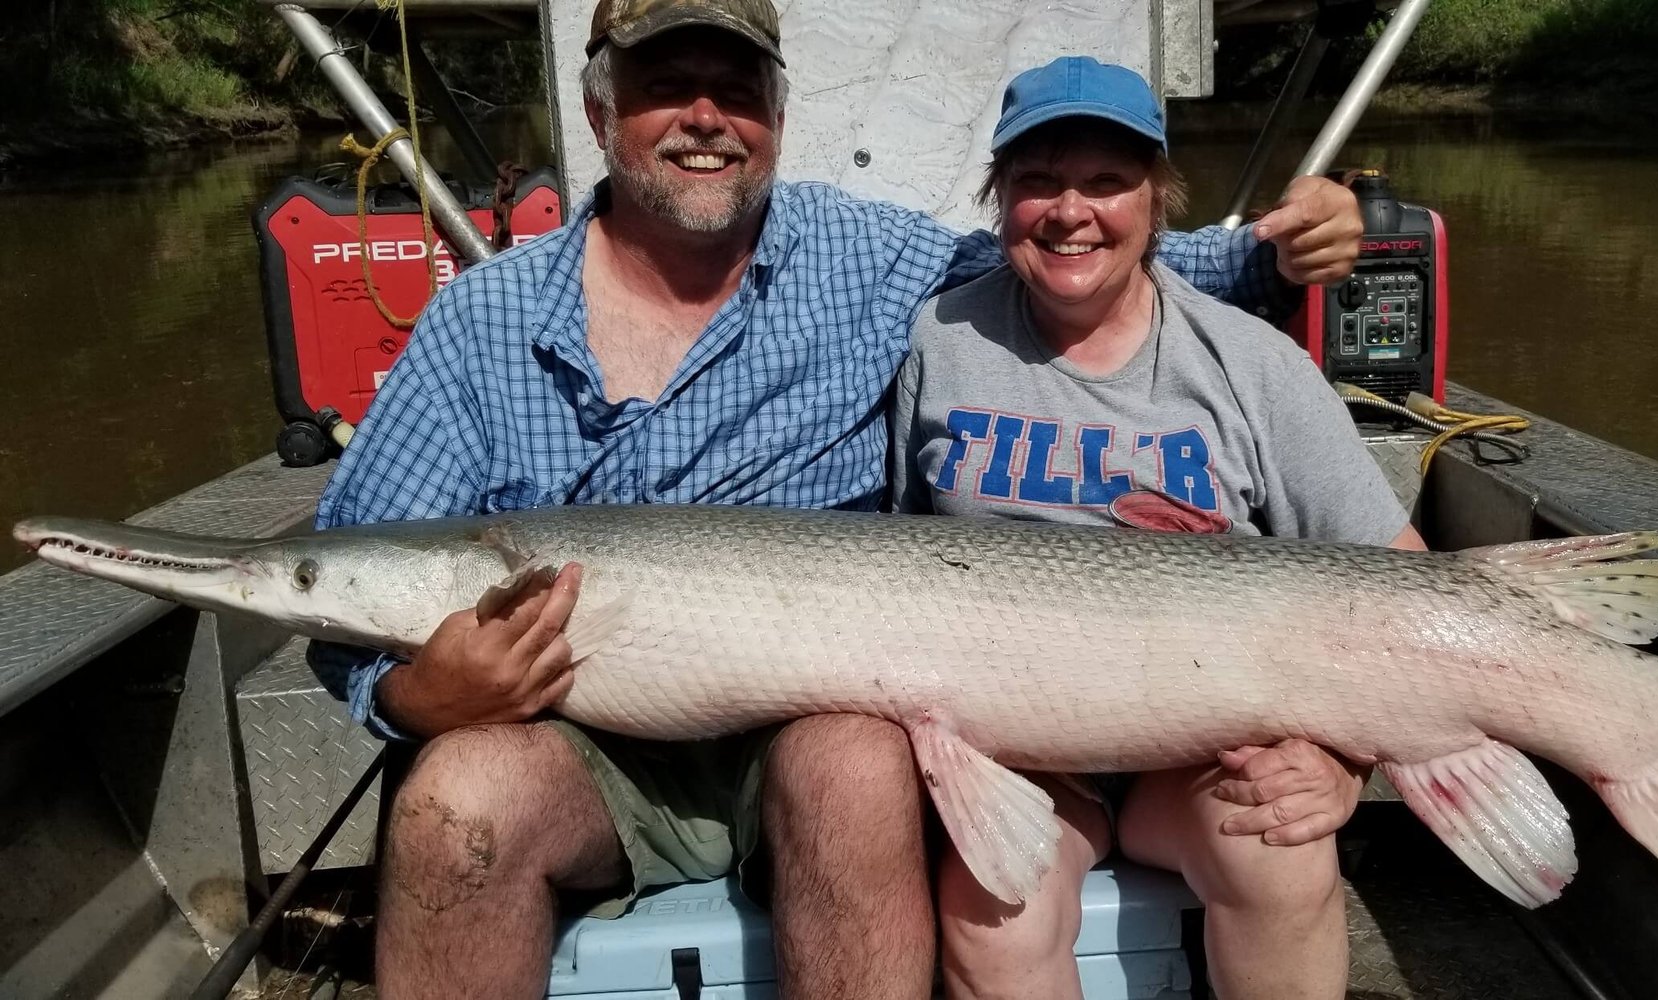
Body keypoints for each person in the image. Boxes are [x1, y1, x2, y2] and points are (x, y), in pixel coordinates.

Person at [306, 0, 1374, 997]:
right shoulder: (478, 321)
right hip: (576, 745)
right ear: (598, 109)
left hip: (807, 718)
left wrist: (1274, 257)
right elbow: (347, 574)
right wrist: (412, 700)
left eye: (735, 91)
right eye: (664, 85)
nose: (704, 119)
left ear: (776, 115)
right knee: (452, 804)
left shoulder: (860, 257)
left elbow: (1074, 249)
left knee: (854, 764)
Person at [889, 56, 1427, 1000]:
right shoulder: (939, 340)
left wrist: (1346, 761)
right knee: (992, 916)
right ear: (998, 197)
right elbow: (897, 556)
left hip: (1199, 753)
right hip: (1022, 756)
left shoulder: (1250, 360)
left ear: (1157, 200)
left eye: (1106, 182)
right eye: (1036, 183)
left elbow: (1401, 581)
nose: (1069, 212)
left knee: (1283, 856)